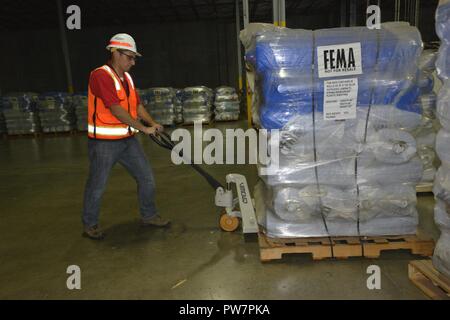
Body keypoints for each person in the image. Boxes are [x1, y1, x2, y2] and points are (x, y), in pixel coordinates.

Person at [82, 33, 170, 240]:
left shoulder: (127, 78)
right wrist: (143, 128)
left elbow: (136, 105)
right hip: (103, 144)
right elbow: (115, 109)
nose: (133, 62)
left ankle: (148, 216)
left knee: (146, 178)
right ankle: (90, 224)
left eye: (134, 58)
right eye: (129, 57)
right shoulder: (101, 75)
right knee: (97, 185)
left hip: (127, 141)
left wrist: (152, 123)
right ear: (115, 53)